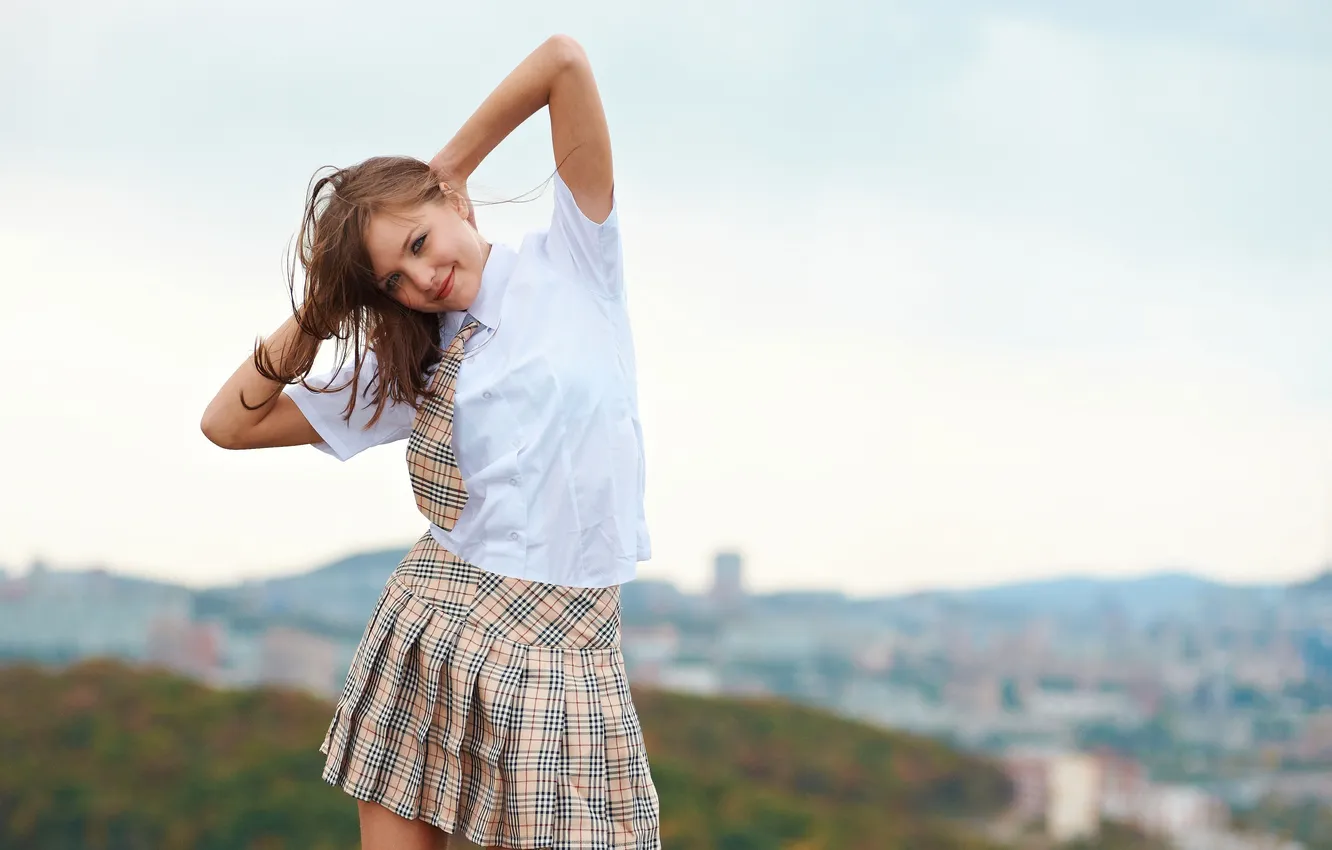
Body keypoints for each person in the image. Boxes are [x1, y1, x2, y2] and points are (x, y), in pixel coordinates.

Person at [201, 34, 660, 850]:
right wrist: (318, 312)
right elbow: (229, 423)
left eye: (418, 243)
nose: (421, 280)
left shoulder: (578, 264)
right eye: (392, 281)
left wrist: (449, 163)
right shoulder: (419, 365)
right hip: (436, 625)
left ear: (455, 204)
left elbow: (563, 61)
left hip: (571, 650)